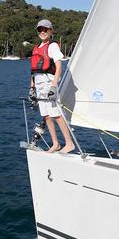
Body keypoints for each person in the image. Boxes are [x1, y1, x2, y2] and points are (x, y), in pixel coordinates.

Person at [29, 19, 75, 153]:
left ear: (50, 31)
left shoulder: (52, 46)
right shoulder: (36, 48)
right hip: (39, 85)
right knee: (47, 115)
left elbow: (59, 66)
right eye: (40, 30)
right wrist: (31, 88)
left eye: (45, 29)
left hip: (49, 84)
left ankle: (69, 143)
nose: (42, 32)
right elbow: (33, 71)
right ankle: (56, 144)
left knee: (56, 114)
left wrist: (54, 87)